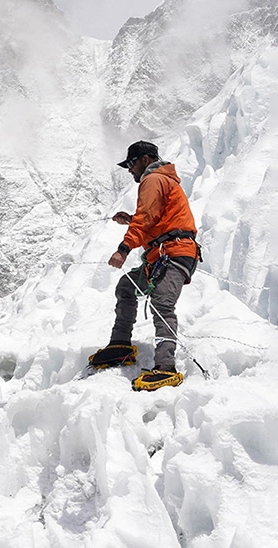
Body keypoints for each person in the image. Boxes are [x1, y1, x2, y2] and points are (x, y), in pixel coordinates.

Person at [89, 141, 200, 391]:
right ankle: (120, 344)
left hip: (174, 253)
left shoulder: (153, 180)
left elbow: (145, 219)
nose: (129, 170)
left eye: (131, 163)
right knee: (127, 287)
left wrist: (123, 249)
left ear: (146, 159)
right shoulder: (161, 180)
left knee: (162, 303)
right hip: (165, 254)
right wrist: (130, 221)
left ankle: (166, 367)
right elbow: (152, 221)